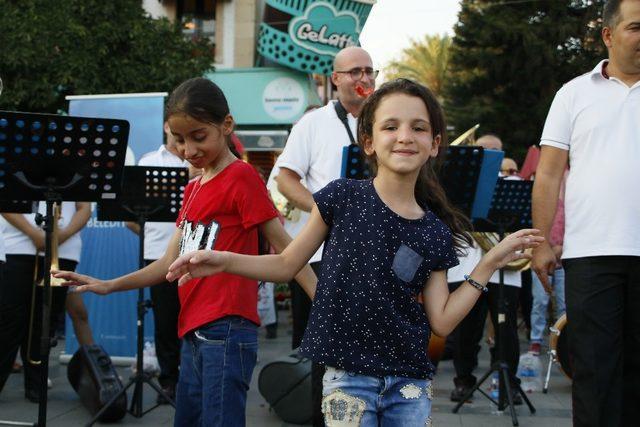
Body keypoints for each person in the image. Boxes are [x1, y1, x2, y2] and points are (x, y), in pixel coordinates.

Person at [164, 79, 542, 426]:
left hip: (410, 384)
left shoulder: (435, 231)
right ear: (369, 141)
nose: (405, 137)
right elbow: (286, 264)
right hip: (348, 379)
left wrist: (490, 261)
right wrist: (224, 259)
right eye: (390, 126)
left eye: (419, 127)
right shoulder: (341, 197)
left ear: (435, 143)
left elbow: (441, 322)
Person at [53, 77, 317, 427]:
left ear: (226, 126)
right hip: (192, 330)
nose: (188, 150)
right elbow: (167, 264)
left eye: (198, 137)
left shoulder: (241, 176)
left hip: (226, 329)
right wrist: (107, 285)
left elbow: (288, 251)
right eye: (179, 139)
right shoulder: (193, 186)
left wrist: (324, 301)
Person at [532, 1, 640, 425]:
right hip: (591, 254)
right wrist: (541, 241)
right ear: (608, 36)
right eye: (636, 27)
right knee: (594, 371)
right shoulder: (573, 93)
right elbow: (548, 173)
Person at [275, 46, 376, 425]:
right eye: (354, 72)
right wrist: (324, 211)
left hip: (373, 255)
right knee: (323, 352)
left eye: (369, 71)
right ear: (335, 80)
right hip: (321, 255)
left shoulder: (384, 122)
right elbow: (285, 179)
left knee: (368, 347)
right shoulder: (313, 123)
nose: (364, 78)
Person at [446, 135, 525, 404]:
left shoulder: (513, 186)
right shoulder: (460, 188)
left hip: (507, 271)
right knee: (466, 330)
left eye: (495, 151)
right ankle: (463, 382)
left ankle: (508, 384)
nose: (490, 154)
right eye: (484, 149)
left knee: (506, 329)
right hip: (466, 266)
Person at [0, 201, 91, 402]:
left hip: (63, 249)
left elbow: (84, 208)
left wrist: (57, 238)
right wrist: (34, 234)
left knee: (45, 322)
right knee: (9, 320)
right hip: (17, 245)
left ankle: (35, 382)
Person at [125, 121, 188, 404]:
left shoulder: (200, 160)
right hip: (157, 254)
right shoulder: (149, 161)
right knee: (165, 321)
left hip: (195, 253)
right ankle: (169, 381)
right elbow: (132, 216)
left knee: (195, 320)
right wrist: (150, 234)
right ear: (165, 126)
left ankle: (192, 379)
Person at [529, 171, 566, 356]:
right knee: (540, 301)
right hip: (543, 253)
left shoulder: (569, 186)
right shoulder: (539, 192)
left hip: (564, 255)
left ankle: (562, 342)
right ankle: (536, 339)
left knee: (563, 303)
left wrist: (562, 247)